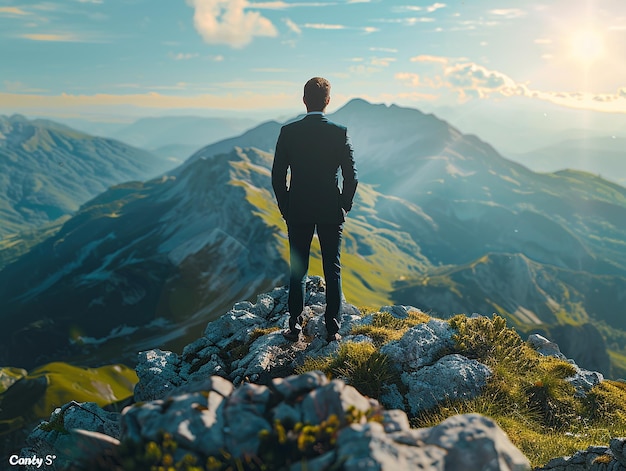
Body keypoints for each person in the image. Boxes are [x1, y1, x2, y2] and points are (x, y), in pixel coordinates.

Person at [271, 77, 358, 343]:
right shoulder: (339, 132)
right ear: (328, 101)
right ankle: (333, 328)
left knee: (298, 269)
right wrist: (343, 204)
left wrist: (286, 206)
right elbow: (351, 176)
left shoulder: (289, 132)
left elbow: (278, 175)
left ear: (304, 100)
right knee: (332, 268)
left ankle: (294, 326)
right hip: (331, 209)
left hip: (298, 208)